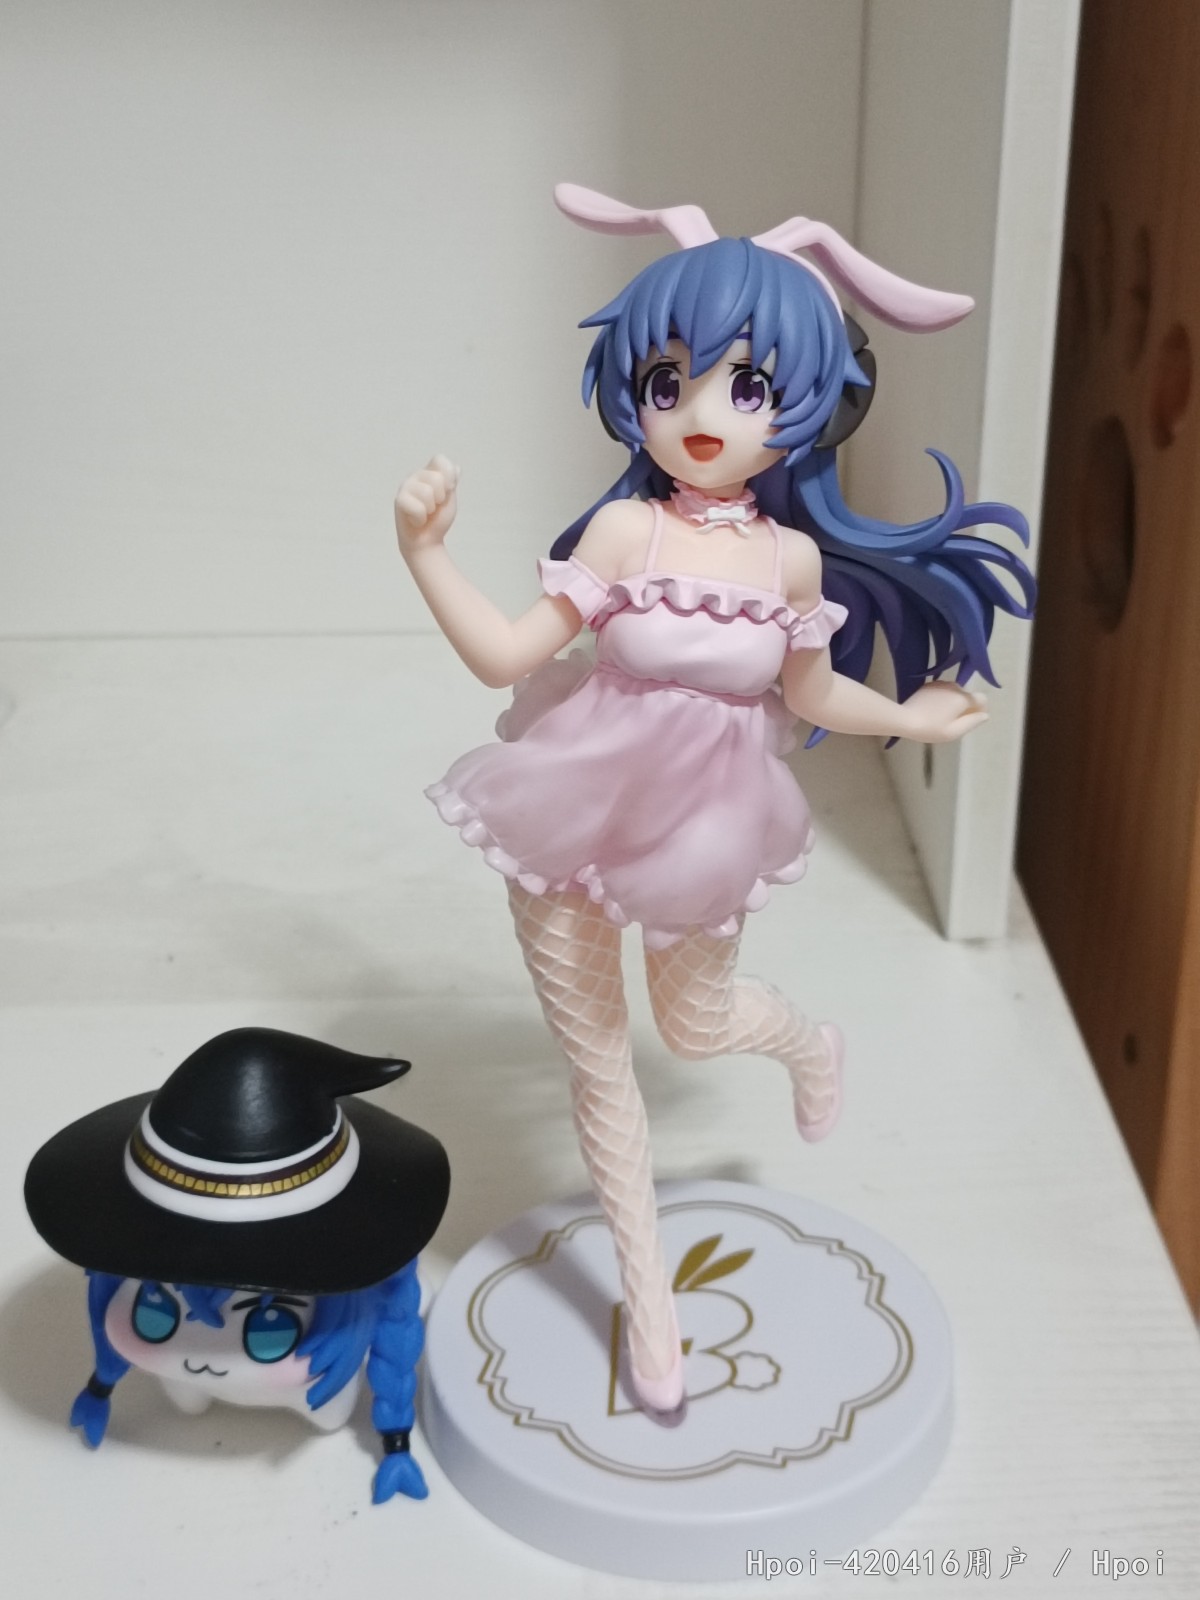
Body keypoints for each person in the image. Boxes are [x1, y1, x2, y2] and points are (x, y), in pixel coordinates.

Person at [396, 184, 1033, 1414]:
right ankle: (654, 1316)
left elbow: (814, 690)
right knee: (598, 1067)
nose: (699, 414)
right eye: (668, 379)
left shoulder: (790, 561)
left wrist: (909, 717)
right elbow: (504, 655)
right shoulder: (624, 537)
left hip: (708, 824)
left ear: (805, 404)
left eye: (747, 388)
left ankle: (807, 1043)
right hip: (569, 808)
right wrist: (426, 552)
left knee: (692, 1026)